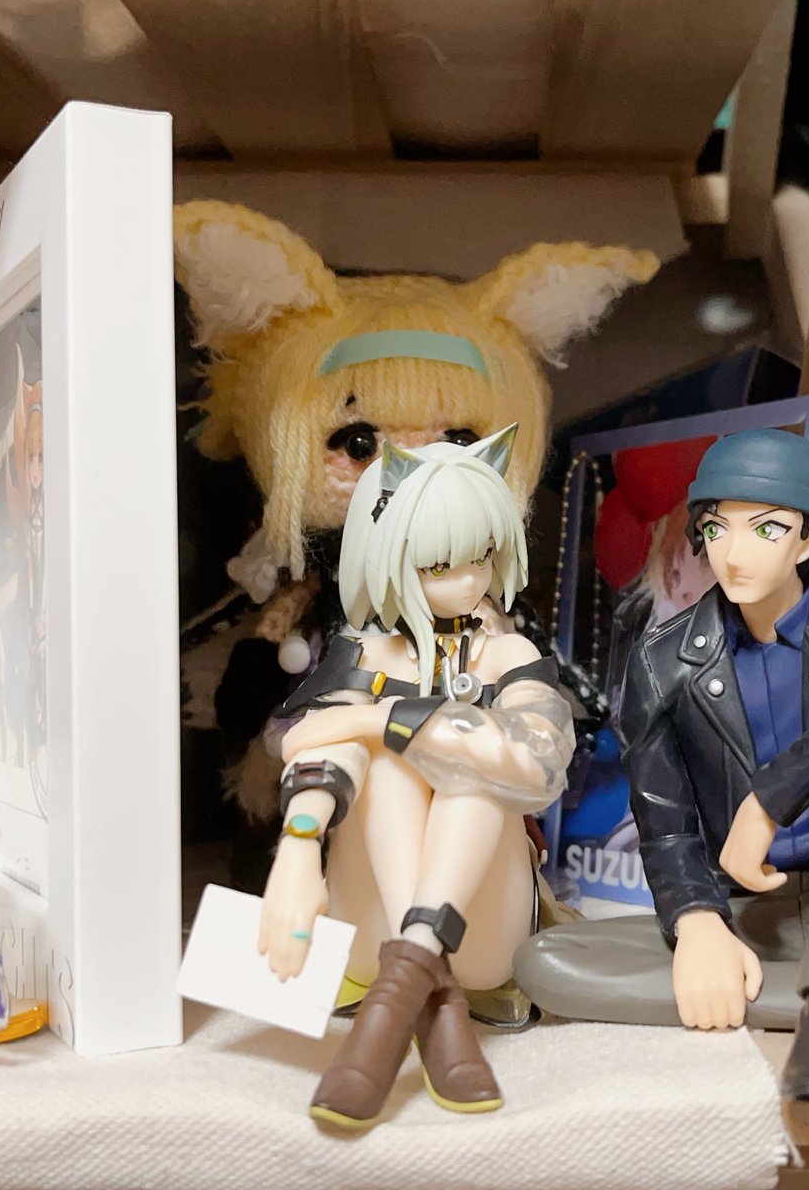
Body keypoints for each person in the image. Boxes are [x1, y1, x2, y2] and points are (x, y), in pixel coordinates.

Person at [515, 428, 809, 1103]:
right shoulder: (663, 660)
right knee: (543, 963)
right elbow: (664, 824)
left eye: (767, 529)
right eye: (717, 528)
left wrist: (770, 799)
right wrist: (698, 923)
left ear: (808, 538)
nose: (734, 552)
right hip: (747, 914)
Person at [257, 425, 574, 1128]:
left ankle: (404, 985)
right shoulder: (364, 653)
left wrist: (381, 719)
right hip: (368, 918)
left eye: (480, 557)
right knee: (391, 771)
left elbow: (535, 761)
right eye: (437, 564)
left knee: (477, 774)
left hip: (484, 936)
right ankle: (426, 985)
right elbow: (308, 742)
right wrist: (299, 847)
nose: (467, 582)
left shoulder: (508, 655)